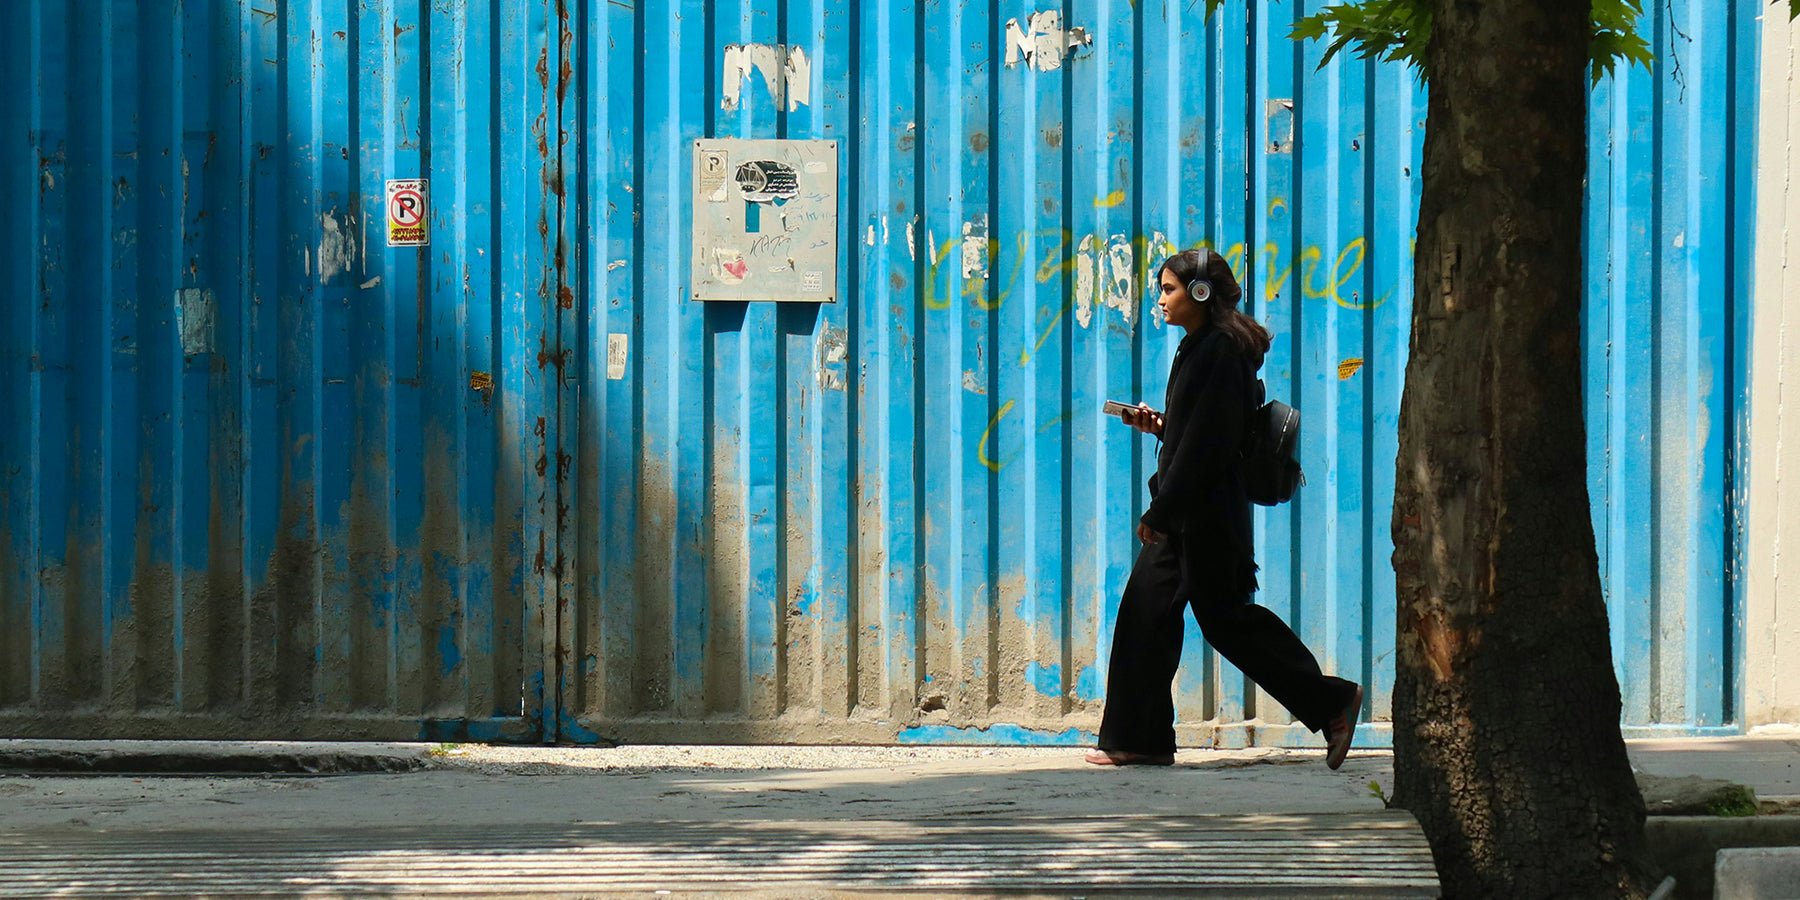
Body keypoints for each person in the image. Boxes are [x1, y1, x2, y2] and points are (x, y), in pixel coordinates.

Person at [1085, 248, 1362, 769]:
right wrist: (1161, 426)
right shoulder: (1201, 348)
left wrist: (1161, 512)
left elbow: (1209, 446)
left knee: (1226, 621)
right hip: (1193, 511)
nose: (1160, 300)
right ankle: (1139, 739)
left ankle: (1333, 701)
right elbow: (1202, 430)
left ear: (1200, 293)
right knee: (1151, 618)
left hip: (1202, 517)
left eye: (1169, 289)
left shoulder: (1218, 352)